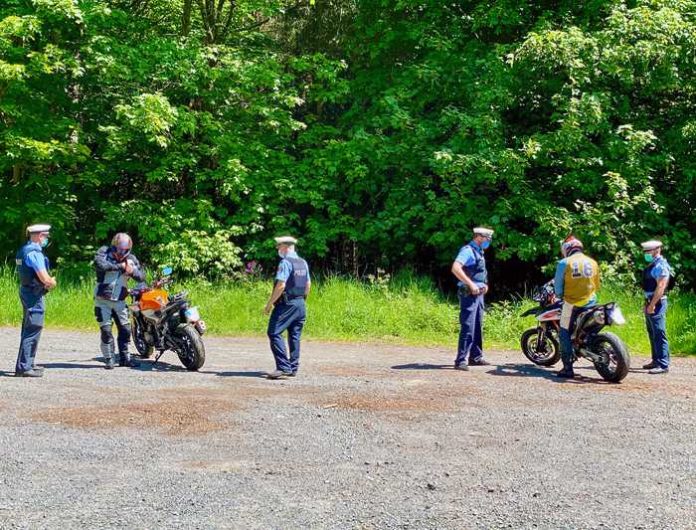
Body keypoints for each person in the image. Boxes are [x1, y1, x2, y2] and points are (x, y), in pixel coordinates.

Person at [94, 233, 146, 369]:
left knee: (125, 330)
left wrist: (132, 271)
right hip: (102, 300)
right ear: (114, 246)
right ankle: (109, 358)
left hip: (120, 301)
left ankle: (125, 358)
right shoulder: (103, 252)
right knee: (106, 330)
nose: (121, 252)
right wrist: (121, 267)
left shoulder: (131, 259)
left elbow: (141, 276)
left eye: (124, 250)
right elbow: (101, 266)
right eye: (119, 249)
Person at [553, 235, 600, 378]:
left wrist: (560, 296)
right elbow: (596, 285)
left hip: (572, 303)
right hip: (591, 302)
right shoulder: (593, 262)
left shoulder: (564, 263)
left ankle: (567, 367)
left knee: (563, 331)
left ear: (567, 249)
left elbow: (558, 288)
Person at [264, 236, 311, 380]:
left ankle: (283, 367)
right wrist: (302, 300)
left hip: (286, 304)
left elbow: (281, 285)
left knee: (274, 332)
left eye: (279, 246)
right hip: (300, 303)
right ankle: (293, 367)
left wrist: (270, 303)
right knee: (294, 336)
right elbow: (308, 285)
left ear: (286, 247)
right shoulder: (303, 262)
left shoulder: (285, 262)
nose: (277, 249)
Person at [14, 224, 57, 377]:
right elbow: (45, 279)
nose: (46, 239)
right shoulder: (35, 253)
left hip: (26, 291)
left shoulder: (23, 250)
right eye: (46, 236)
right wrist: (52, 282)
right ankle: (25, 367)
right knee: (33, 328)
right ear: (40, 236)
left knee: (28, 328)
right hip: (34, 295)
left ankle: (27, 364)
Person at [451, 227, 494, 371]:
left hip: (478, 294)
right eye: (487, 238)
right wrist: (470, 284)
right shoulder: (468, 250)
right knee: (468, 326)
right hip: (469, 293)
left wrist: (484, 285)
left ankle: (475, 357)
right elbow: (456, 268)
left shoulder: (479, 251)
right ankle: (460, 360)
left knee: (477, 326)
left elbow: (479, 272)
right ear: (479, 237)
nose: (489, 241)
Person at [640, 240, 672, 374]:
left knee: (659, 333)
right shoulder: (653, 264)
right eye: (645, 251)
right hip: (650, 301)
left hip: (657, 302)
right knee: (652, 332)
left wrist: (652, 305)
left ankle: (663, 364)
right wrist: (646, 303)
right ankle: (655, 360)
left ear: (656, 250)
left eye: (648, 251)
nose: (646, 253)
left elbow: (661, 287)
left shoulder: (661, 266)